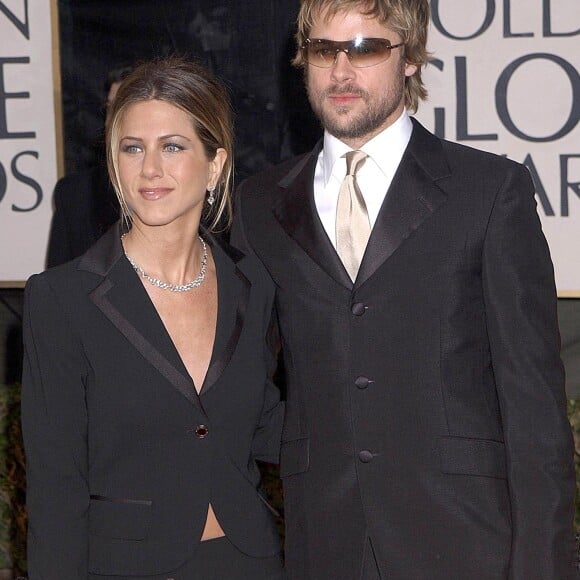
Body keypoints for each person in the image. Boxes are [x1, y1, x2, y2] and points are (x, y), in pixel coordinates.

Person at [231, 1, 577, 578]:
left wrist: (543, 565)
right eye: (323, 50)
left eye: (365, 49)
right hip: (325, 543)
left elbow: (534, 406)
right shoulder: (260, 203)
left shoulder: (489, 191)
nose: (341, 71)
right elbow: (242, 374)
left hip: (468, 542)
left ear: (410, 58)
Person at [22, 56, 285, 579]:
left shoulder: (252, 285)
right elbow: (57, 488)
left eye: (173, 146)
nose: (150, 169)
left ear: (214, 164)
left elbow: (267, 424)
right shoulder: (63, 298)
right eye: (133, 148)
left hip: (249, 561)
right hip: (127, 566)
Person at [46, 66, 132, 268]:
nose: (114, 119)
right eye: (111, 108)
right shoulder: (74, 194)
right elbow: (56, 285)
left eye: (125, 107)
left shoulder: (177, 189)